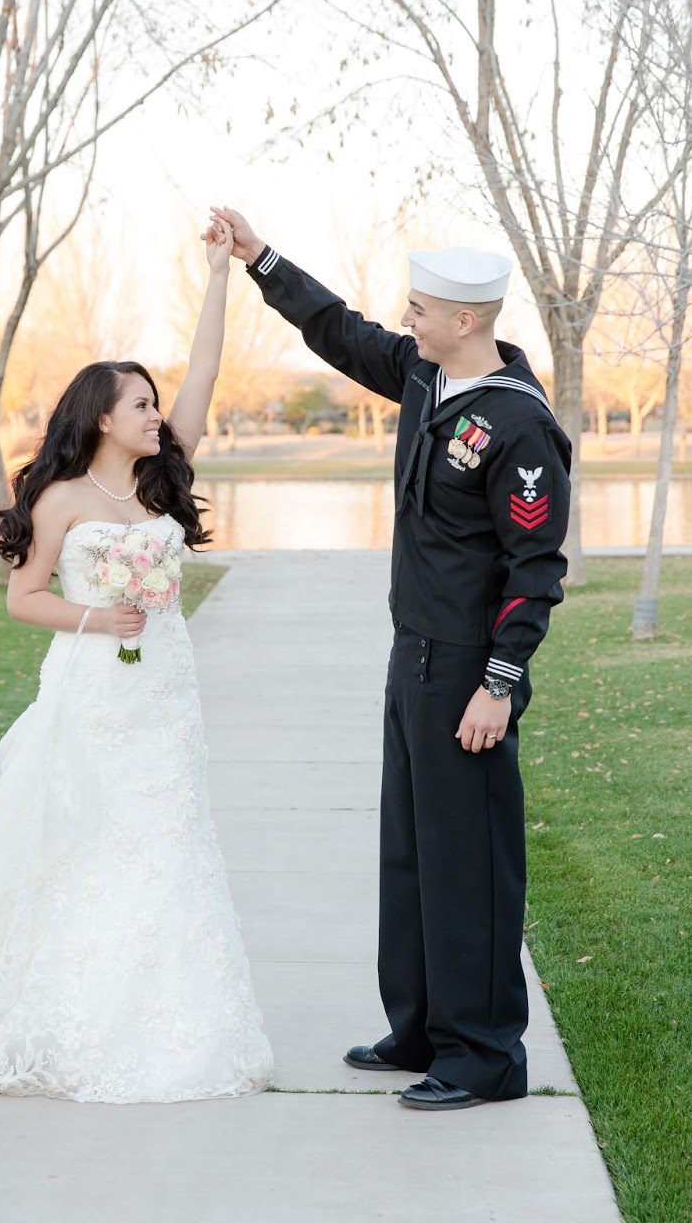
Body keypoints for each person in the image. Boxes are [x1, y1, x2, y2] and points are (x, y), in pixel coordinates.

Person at [0, 216, 273, 1103]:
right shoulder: (56, 500)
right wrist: (99, 617)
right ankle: (65, 1013)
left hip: (166, 689)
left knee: (170, 842)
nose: (156, 414)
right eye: (140, 405)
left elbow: (203, 375)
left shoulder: (165, 476)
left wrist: (217, 275)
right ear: (100, 416)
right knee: (88, 846)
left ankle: (175, 1017)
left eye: (155, 404)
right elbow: (23, 600)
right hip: (94, 690)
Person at [210, 206, 571, 1111]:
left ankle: (484, 1056)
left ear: (468, 321)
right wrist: (262, 258)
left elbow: (535, 569)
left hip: (465, 671)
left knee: (469, 863)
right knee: (410, 851)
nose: (406, 319)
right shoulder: (425, 376)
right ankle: (419, 1027)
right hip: (410, 652)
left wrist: (500, 682)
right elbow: (340, 330)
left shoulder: (517, 427)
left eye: (421, 309)